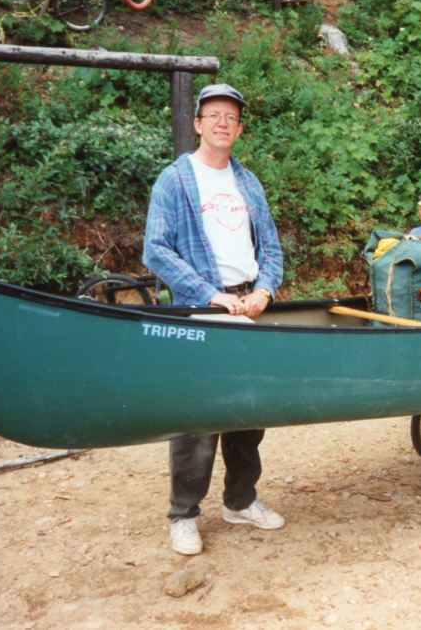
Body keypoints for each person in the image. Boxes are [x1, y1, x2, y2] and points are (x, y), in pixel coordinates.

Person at [143, 83, 285, 556]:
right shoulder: (176, 179)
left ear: (239, 128)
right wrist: (210, 294)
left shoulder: (248, 182)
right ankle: (183, 515)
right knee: (197, 416)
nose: (223, 122)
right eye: (213, 115)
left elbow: (271, 247)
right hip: (200, 308)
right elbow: (156, 250)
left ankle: (240, 501)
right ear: (198, 124)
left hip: (248, 306)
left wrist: (264, 288)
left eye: (231, 116)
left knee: (250, 408)